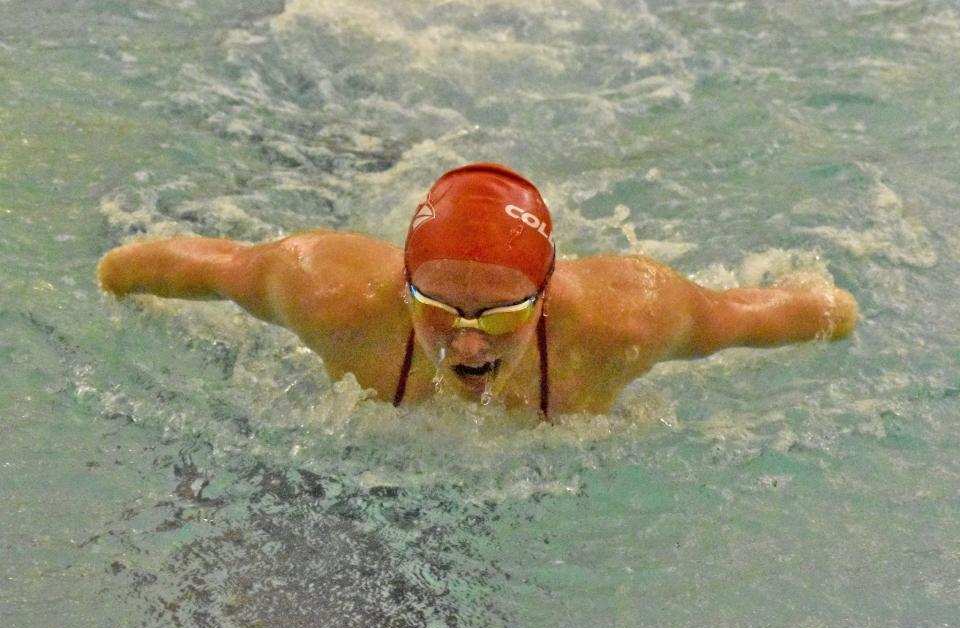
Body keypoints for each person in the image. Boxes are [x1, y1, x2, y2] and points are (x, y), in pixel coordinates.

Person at [97, 163, 858, 417]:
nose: (466, 342)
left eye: (501, 315)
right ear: (402, 288)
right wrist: (112, 277)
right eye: (437, 310)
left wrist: (829, 308)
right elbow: (215, 267)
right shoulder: (327, 291)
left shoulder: (631, 317)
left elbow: (754, 313)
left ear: (549, 297)